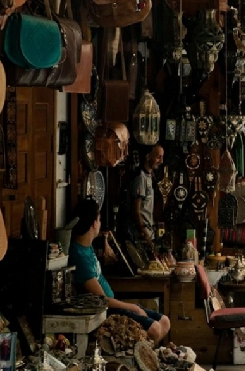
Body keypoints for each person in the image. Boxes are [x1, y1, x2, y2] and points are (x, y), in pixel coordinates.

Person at [69, 199, 171, 342]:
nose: (100, 223)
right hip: (107, 310)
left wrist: (105, 241)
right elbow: (102, 300)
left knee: (165, 321)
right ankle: (139, 354)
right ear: (93, 223)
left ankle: (142, 354)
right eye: (99, 219)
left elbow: (104, 236)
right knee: (154, 329)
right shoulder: (78, 255)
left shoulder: (87, 245)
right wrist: (133, 307)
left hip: (114, 303)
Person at [128, 145, 163, 244]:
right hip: (141, 237)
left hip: (150, 233)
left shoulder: (150, 177)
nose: (161, 161)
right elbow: (136, 210)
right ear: (148, 157)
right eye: (158, 157)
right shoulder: (141, 178)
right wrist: (144, 232)